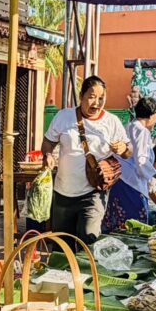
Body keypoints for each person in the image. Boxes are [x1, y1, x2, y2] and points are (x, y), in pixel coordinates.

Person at [42, 75, 131, 245]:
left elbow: (128, 152)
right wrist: (47, 155)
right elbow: (48, 142)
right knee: (62, 246)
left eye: (101, 98)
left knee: (89, 239)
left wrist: (123, 148)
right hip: (63, 193)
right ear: (81, 96)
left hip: (94, 192)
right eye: (92, 97)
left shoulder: (112, 122)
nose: (96, 103)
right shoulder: (64, 117)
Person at [103, 96, 156, 232]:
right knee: (135, 228)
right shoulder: (142, 131)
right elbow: (142, 161)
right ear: (152, 115)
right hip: (132, 185)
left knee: (118, 226)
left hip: (120, 182)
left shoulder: (129, 126)